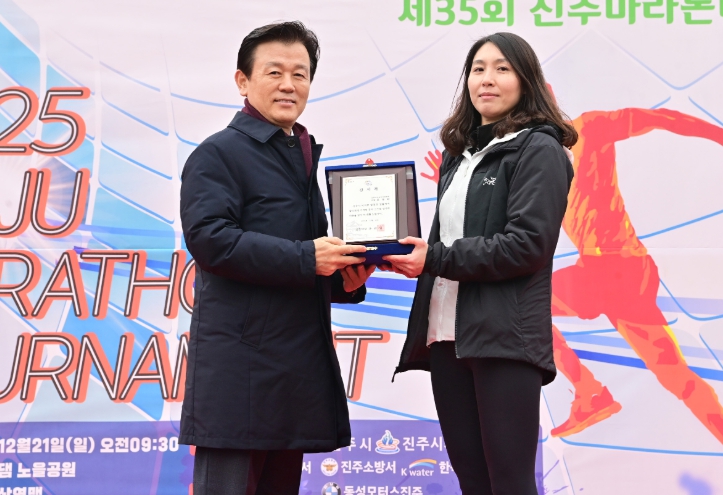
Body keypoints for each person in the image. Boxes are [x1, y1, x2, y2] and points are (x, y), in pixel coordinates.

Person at [178, 21, 375, 495]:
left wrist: (342, 279)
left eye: (300, 74)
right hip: (239, 374)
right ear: (242, 81)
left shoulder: (299, 154)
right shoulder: (218, 154)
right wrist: (308, 258)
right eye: (274, 72)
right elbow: (211, 241)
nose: (289, 84)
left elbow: (299, 252)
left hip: (292, 374)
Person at [386, 33, 576, 494]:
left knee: (509, 483)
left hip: (503, 339)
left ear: (526, 81)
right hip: (446, 337)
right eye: (477, 69)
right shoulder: (457, 156)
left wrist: (433, 257)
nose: (486, 79)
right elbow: (443, 240)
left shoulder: (539, 149)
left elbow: (526, 246)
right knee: (472, 481)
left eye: (501, 68)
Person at [549, 107, 723, 442]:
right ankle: (589, 393)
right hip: (619, 271)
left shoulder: (591, 128)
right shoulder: (538, 166)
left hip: (614, 269)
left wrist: (718, 135)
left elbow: (660, 118)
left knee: (520, 303)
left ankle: (589, 392)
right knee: (676, 376)